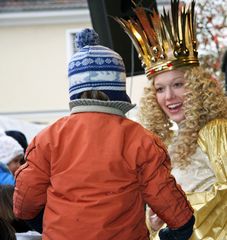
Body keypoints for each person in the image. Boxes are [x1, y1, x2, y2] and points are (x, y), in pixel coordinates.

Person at [13, 28, 195, 240]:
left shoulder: (48, 138)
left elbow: (24, 205)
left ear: (74, 89)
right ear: (118, 87)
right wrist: (181, 226)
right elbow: (163, 193)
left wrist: (46, 223)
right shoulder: (140, 139)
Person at [116, 0, 227, 239]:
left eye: (178, 84)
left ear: (197, 87)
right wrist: (154, 220)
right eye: (160, 89)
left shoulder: (216, 130)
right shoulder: (166, 143)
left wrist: (178, 213)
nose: (169, 97)